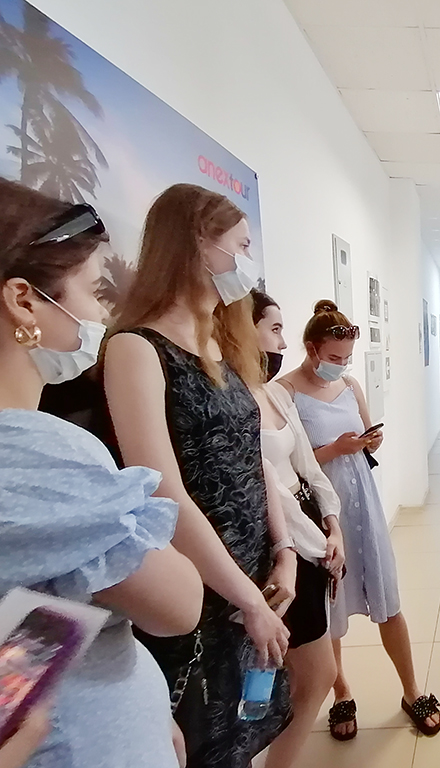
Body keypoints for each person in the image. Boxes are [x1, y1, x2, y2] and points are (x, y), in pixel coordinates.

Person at [0, 178, 203, 767]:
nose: (99, 315)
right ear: (24, 301)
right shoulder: (38, 453)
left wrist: (142, 705)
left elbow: (32, 621)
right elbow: (178, 604)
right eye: (92, 292)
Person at [103, 184, 294, 768]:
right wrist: (245, 597)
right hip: (201, 586)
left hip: (253, 575)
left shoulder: (220, 343)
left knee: (248, 726)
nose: (247, 261)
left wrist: (283, 550)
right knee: (205, 740)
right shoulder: (137, 348)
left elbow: (252, 457)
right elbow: (163, 490)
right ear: (197, 244)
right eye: (240, 245)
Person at [279, 300, 440, 738]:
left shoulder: (350, 385)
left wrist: (370, 440)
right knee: (330, 607)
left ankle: (411, 690)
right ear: (311, 348)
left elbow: (369, 437)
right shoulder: (286, 392)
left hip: (362, 501)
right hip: (321, 510)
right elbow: (287, 464)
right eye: (334, 357)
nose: (341, 365)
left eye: (347, 357)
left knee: (387, 595)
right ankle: (342, 693)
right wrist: (337, 448)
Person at [250, 290, 346, 768]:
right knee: (309, 674)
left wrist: (334, 526)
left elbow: (307, 464)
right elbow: (272, 491)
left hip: (309, 536)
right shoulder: (233, 403)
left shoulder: (273, 394)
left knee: (306, 672)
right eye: (274, 329)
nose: (282, 342)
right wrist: (316, 547)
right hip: (276, 547)